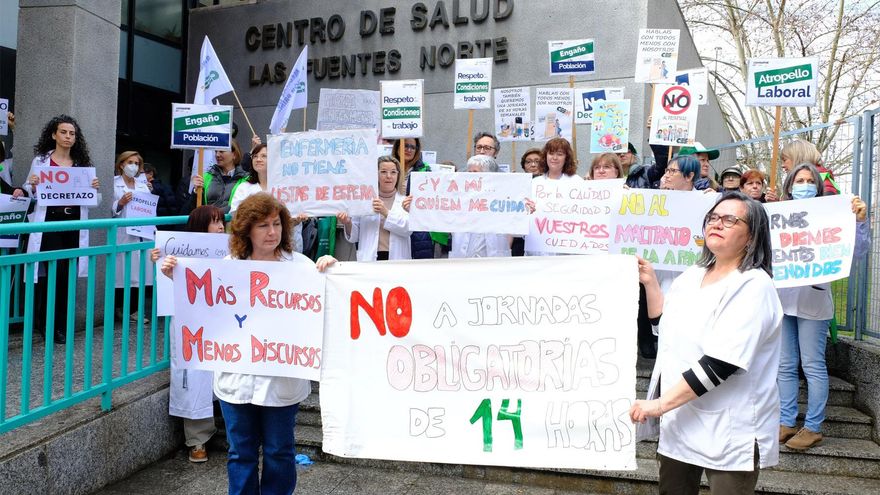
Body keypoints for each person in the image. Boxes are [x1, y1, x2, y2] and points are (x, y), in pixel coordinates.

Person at [162, 193, 336, 493]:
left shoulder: (301, 266)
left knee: (279, 452)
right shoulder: (227, 266)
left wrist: (331, 270)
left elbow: (326, 303)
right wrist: (174, 276)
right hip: (236, 381)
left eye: (277, 224)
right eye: (263, 226)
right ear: (246, 230)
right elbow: (204, 306)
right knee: (240, 453)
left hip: (282, 381)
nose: (272, 232)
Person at [631, 191, 783, 494]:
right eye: (713, 217)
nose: (717, 223)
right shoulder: (693, 274)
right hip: (681, 419)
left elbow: (720, 363)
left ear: (752, 236)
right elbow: (664, 325)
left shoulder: (754, 285)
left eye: (730, 219)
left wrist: (659, 404)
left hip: (729, 427)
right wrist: (649, 281)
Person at [776, 162, 870, 451]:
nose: (803, 184)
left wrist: (860, 222)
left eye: (809, 180)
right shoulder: (778, 216)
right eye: (798, 180)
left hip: (814, 304)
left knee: (813, 365)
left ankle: (813, 427)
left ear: (818, 186)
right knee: (785, 365)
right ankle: (786, 420)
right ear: (789, 186)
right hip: (783, 301)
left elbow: (858, 251)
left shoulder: (832, 216)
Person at [150, 205, 225, 463]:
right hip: (192, 325)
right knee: (194, 376)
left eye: (221, 222)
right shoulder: (178, 257)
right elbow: (170, 288)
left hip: (224, 322)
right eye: (214, 222)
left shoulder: (234, 254)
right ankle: (197, 439)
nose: (221, 227)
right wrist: (161, 262)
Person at [23, 115, 100, 344]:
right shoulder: (41, 161)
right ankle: (45, 324)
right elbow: (29, 190)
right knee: (52, 276)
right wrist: (33, 185)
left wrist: (94, 188)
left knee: (67, 276)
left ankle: (61, 326)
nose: (68, 137)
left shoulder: (81, 165)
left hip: (73, 225)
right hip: (50, 224)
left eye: (72, 133)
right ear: (54, 135)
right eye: (64, 132)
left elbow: (91, 200)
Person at [229, 143, 306, 252]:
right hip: (253, 249)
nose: (258, 159)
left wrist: (296, 220)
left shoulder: (287, 188)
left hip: (284, 249)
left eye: (264, 156)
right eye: (255, 156)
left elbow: (295, 214)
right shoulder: (244, 187)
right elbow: (236, 217)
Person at [337, 156, 411, 261]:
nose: (389, 176)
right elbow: (354, 237)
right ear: (375, 174)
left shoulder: (405, 201)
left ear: (398, 176)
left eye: (393, 172)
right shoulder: (364, 200)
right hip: (370, 258)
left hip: (397, 259)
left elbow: (408, 230)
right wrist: (347, 223)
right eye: (383, 172)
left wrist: (386, 212)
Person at [112, 151, 154, 324]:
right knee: (122, 272)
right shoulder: (114, 184)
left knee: (140, 272)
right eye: (130, 162)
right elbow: (109, 209)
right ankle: (119, 308)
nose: (133, 166)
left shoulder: (142, 185)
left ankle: (135, 310)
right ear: (121, 164)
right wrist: (120, 203)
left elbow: (150, 208)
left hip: (142, 233)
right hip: (123, 233)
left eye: (137, 163)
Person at [449, 155, 513, 258]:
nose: (470, 176)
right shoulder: (458, 196)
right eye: (469, 172)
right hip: (463, 257)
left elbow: (512, 226)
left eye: (475, 172)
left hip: (492, 257)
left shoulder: (503, 197)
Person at [392, 137, 434, 259]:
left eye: (413, 147)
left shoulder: (425, 171)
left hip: (417, 229)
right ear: (397, 147)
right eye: (406, 145)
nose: (409, 149)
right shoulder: (388, 168)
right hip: (393, 223)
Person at [182, 140, 248, 214]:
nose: (217, 154)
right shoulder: (206, 177)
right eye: (216, 151)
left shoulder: (245, 179)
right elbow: (195, 208)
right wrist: (196, 192)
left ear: (234, 154)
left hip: (233, 224)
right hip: (209, 224)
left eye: (221, 151)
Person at [771, 140, 839, 198]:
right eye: (800, 181)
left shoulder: (824, 180)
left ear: (797, 158)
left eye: (785, 160)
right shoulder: (791, 182)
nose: (782, 165)